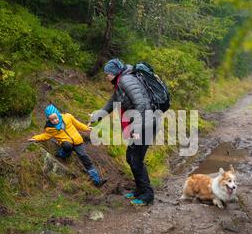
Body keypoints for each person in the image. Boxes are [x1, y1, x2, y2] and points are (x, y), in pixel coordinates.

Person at [90, 58, 156, 206]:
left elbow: (142, 104)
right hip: (140, 124)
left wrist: (137, 129)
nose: (106, 77)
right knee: (130, 157)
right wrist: (96, 117)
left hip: (145, 125)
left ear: (114, 72)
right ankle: (140, 190)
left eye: (107, 73)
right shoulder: (121, 82)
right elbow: (111, 104)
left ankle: (147, 195)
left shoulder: (126, 81)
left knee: (136, 159)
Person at [29, 104, 106, 187]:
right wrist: (36, 138)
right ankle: (63, 154)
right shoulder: (50, 128)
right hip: (66, 142)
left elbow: (78, 124)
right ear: (49, 119)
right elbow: (45, 136)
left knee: (84, 157)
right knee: (67, 146)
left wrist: (87, 128)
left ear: (58, 114)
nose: (55, 121)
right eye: (52, 120)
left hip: (77, 141)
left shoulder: (68, 117)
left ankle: (96, 180)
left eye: (55, 118)